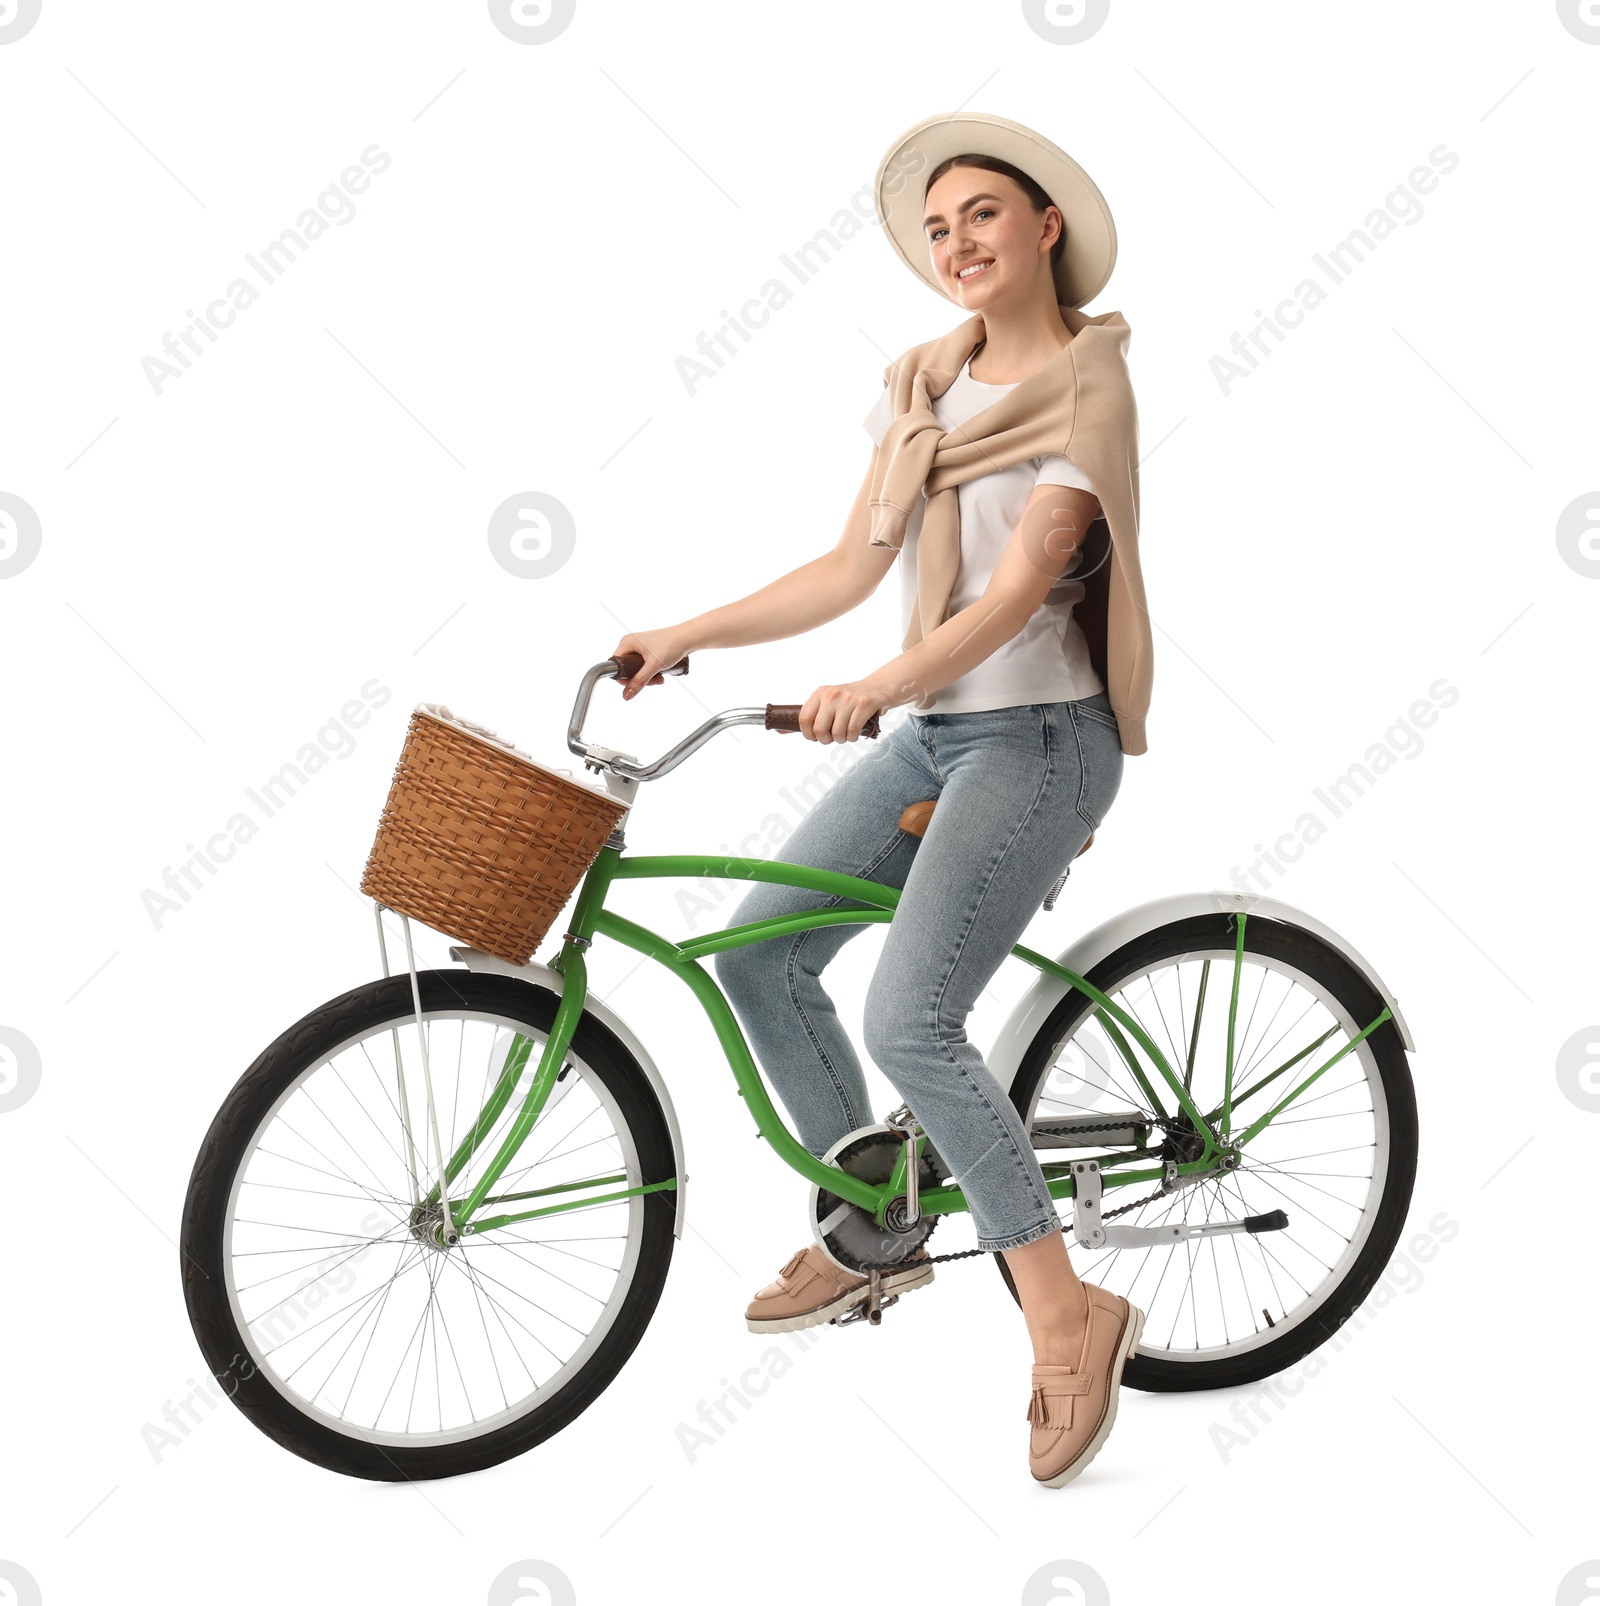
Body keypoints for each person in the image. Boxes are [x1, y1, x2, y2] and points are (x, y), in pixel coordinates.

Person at [608, 112, 1154, 1488]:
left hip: (1038, 741)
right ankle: (880, 1227)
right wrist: (691, 630)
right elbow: (852, 563)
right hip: (938, 737)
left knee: (909, 1017)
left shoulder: (1089, 384)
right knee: (759, 951)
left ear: (1044, 230)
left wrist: (881, 681)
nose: (957, 242)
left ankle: (1065, 1306)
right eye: (937, 226)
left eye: (983, 215)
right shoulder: (923, 382)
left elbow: (1026, 591)